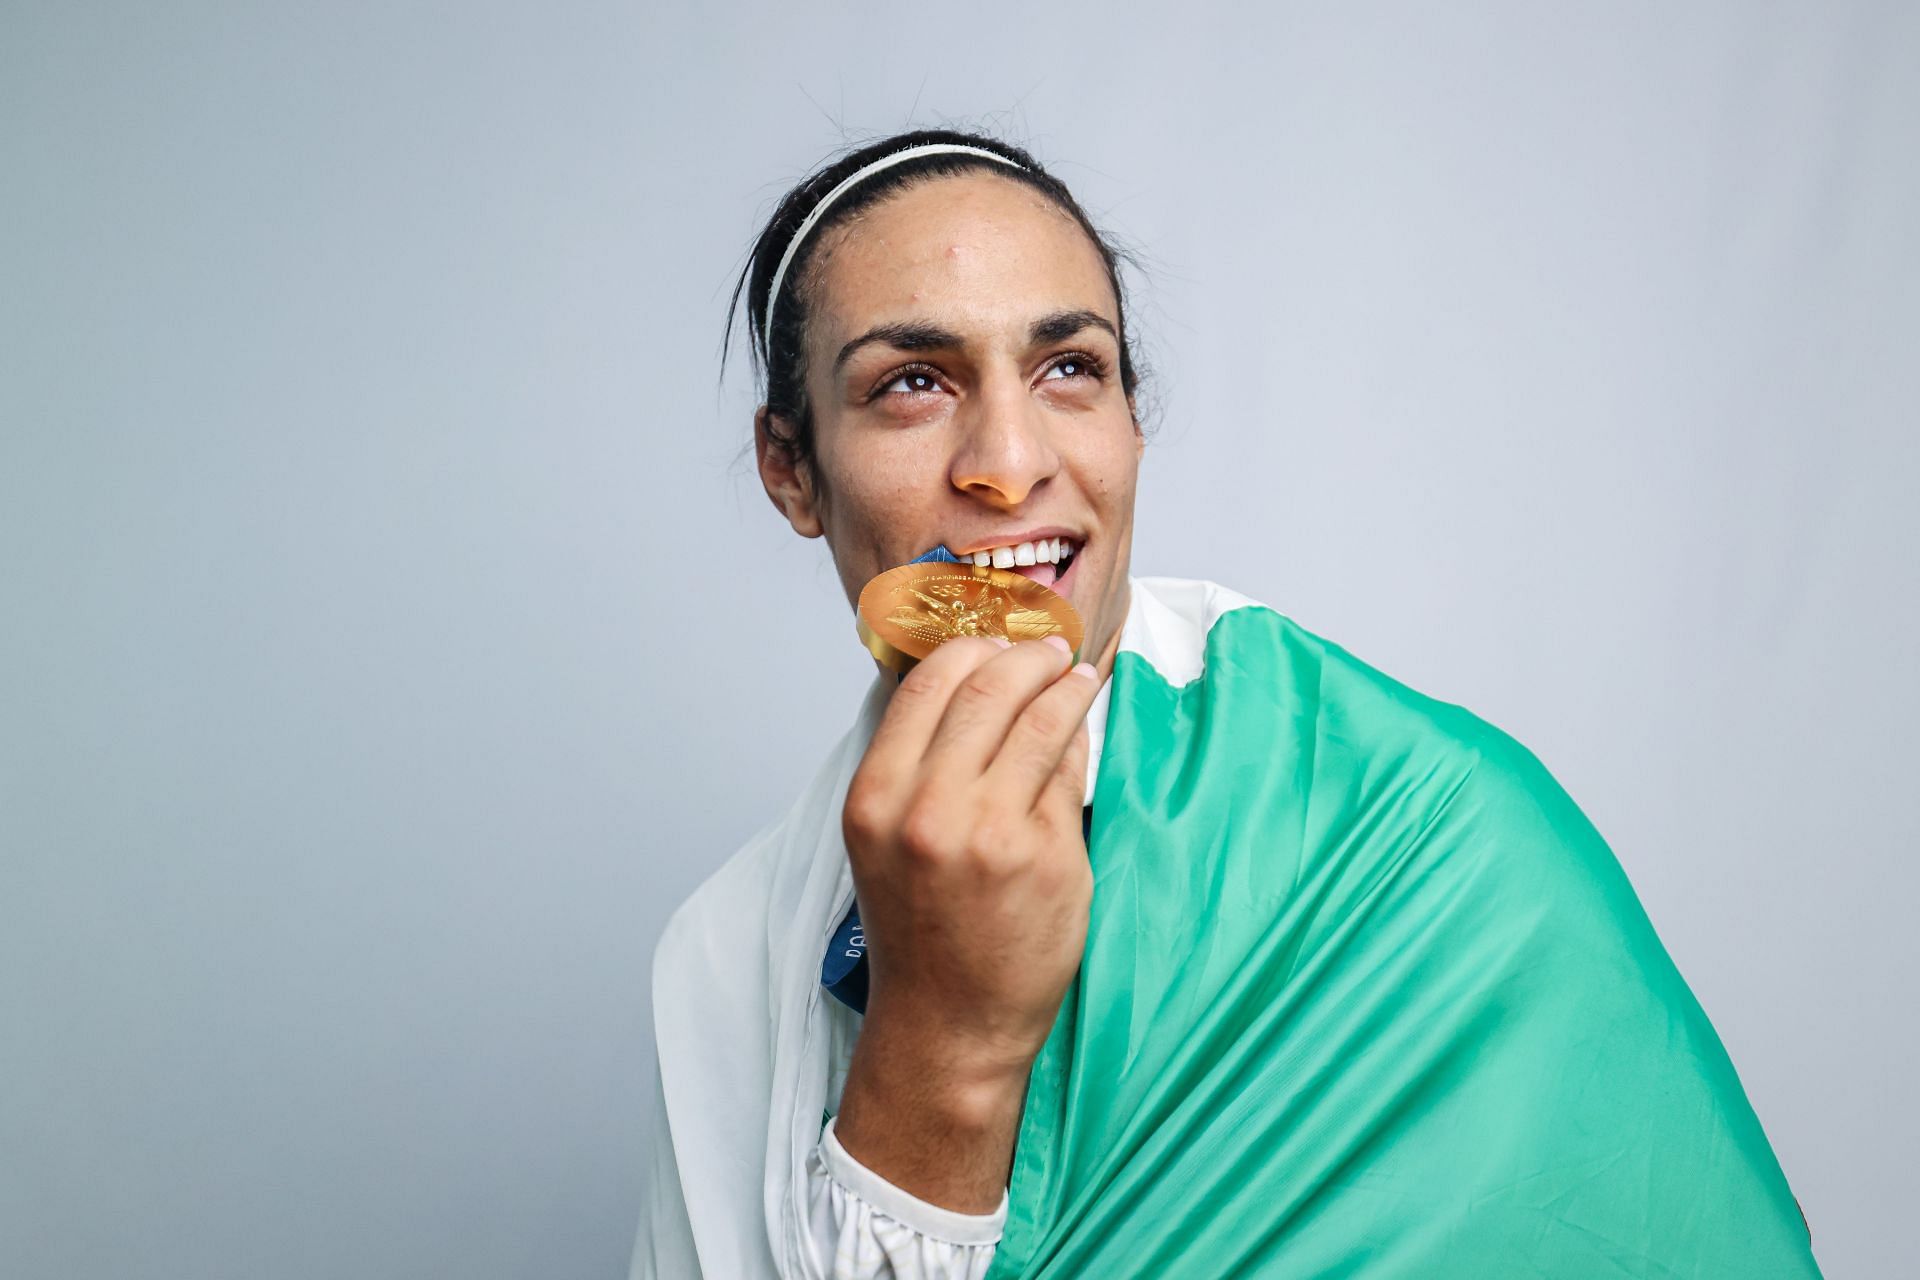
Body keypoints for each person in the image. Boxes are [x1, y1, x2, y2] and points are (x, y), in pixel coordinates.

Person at [632, 129, 1821, 1279]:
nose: (1007, 458)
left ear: (1130, 423)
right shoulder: (727, 956)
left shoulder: (1419, 822)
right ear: (794, 469)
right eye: (912, 383)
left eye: (1068, 369)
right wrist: (940, 1050)